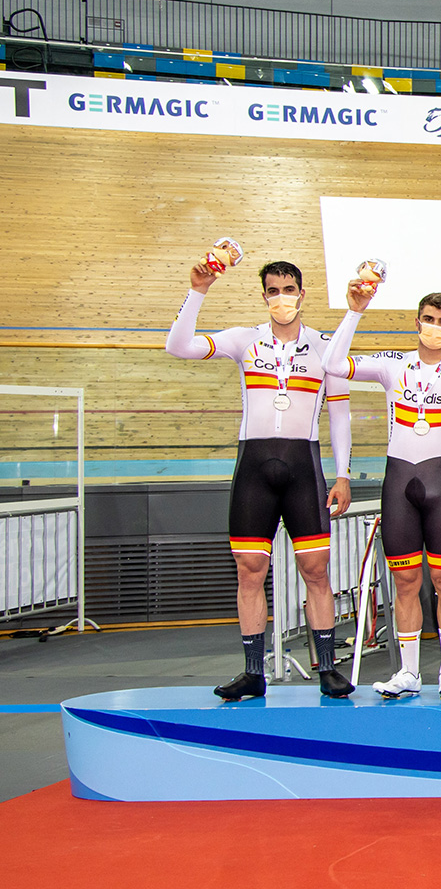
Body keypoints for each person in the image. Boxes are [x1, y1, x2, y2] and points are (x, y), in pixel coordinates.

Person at [166, 257, 359, 700]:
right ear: (264, 295)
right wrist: (199, 290)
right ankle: (254, 672)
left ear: (302, 293)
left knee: (316, 570)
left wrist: (343, 474)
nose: (281, 298)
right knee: (250, 570)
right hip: (254, 466)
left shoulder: (324, 347)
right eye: (273, 290)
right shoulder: (243, 339)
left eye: (288, 289)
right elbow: (178, 347)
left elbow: (340, 417)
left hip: (303, 467)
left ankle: (328, 667)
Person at [339, 289, 441, 701]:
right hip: (398, 482)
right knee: (405, 581)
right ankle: (407, 673)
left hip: (440, 480)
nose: (434, 327)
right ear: (416, 321)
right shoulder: (392, 365)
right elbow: (333, 363)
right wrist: (354, 312)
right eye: (428, 318)